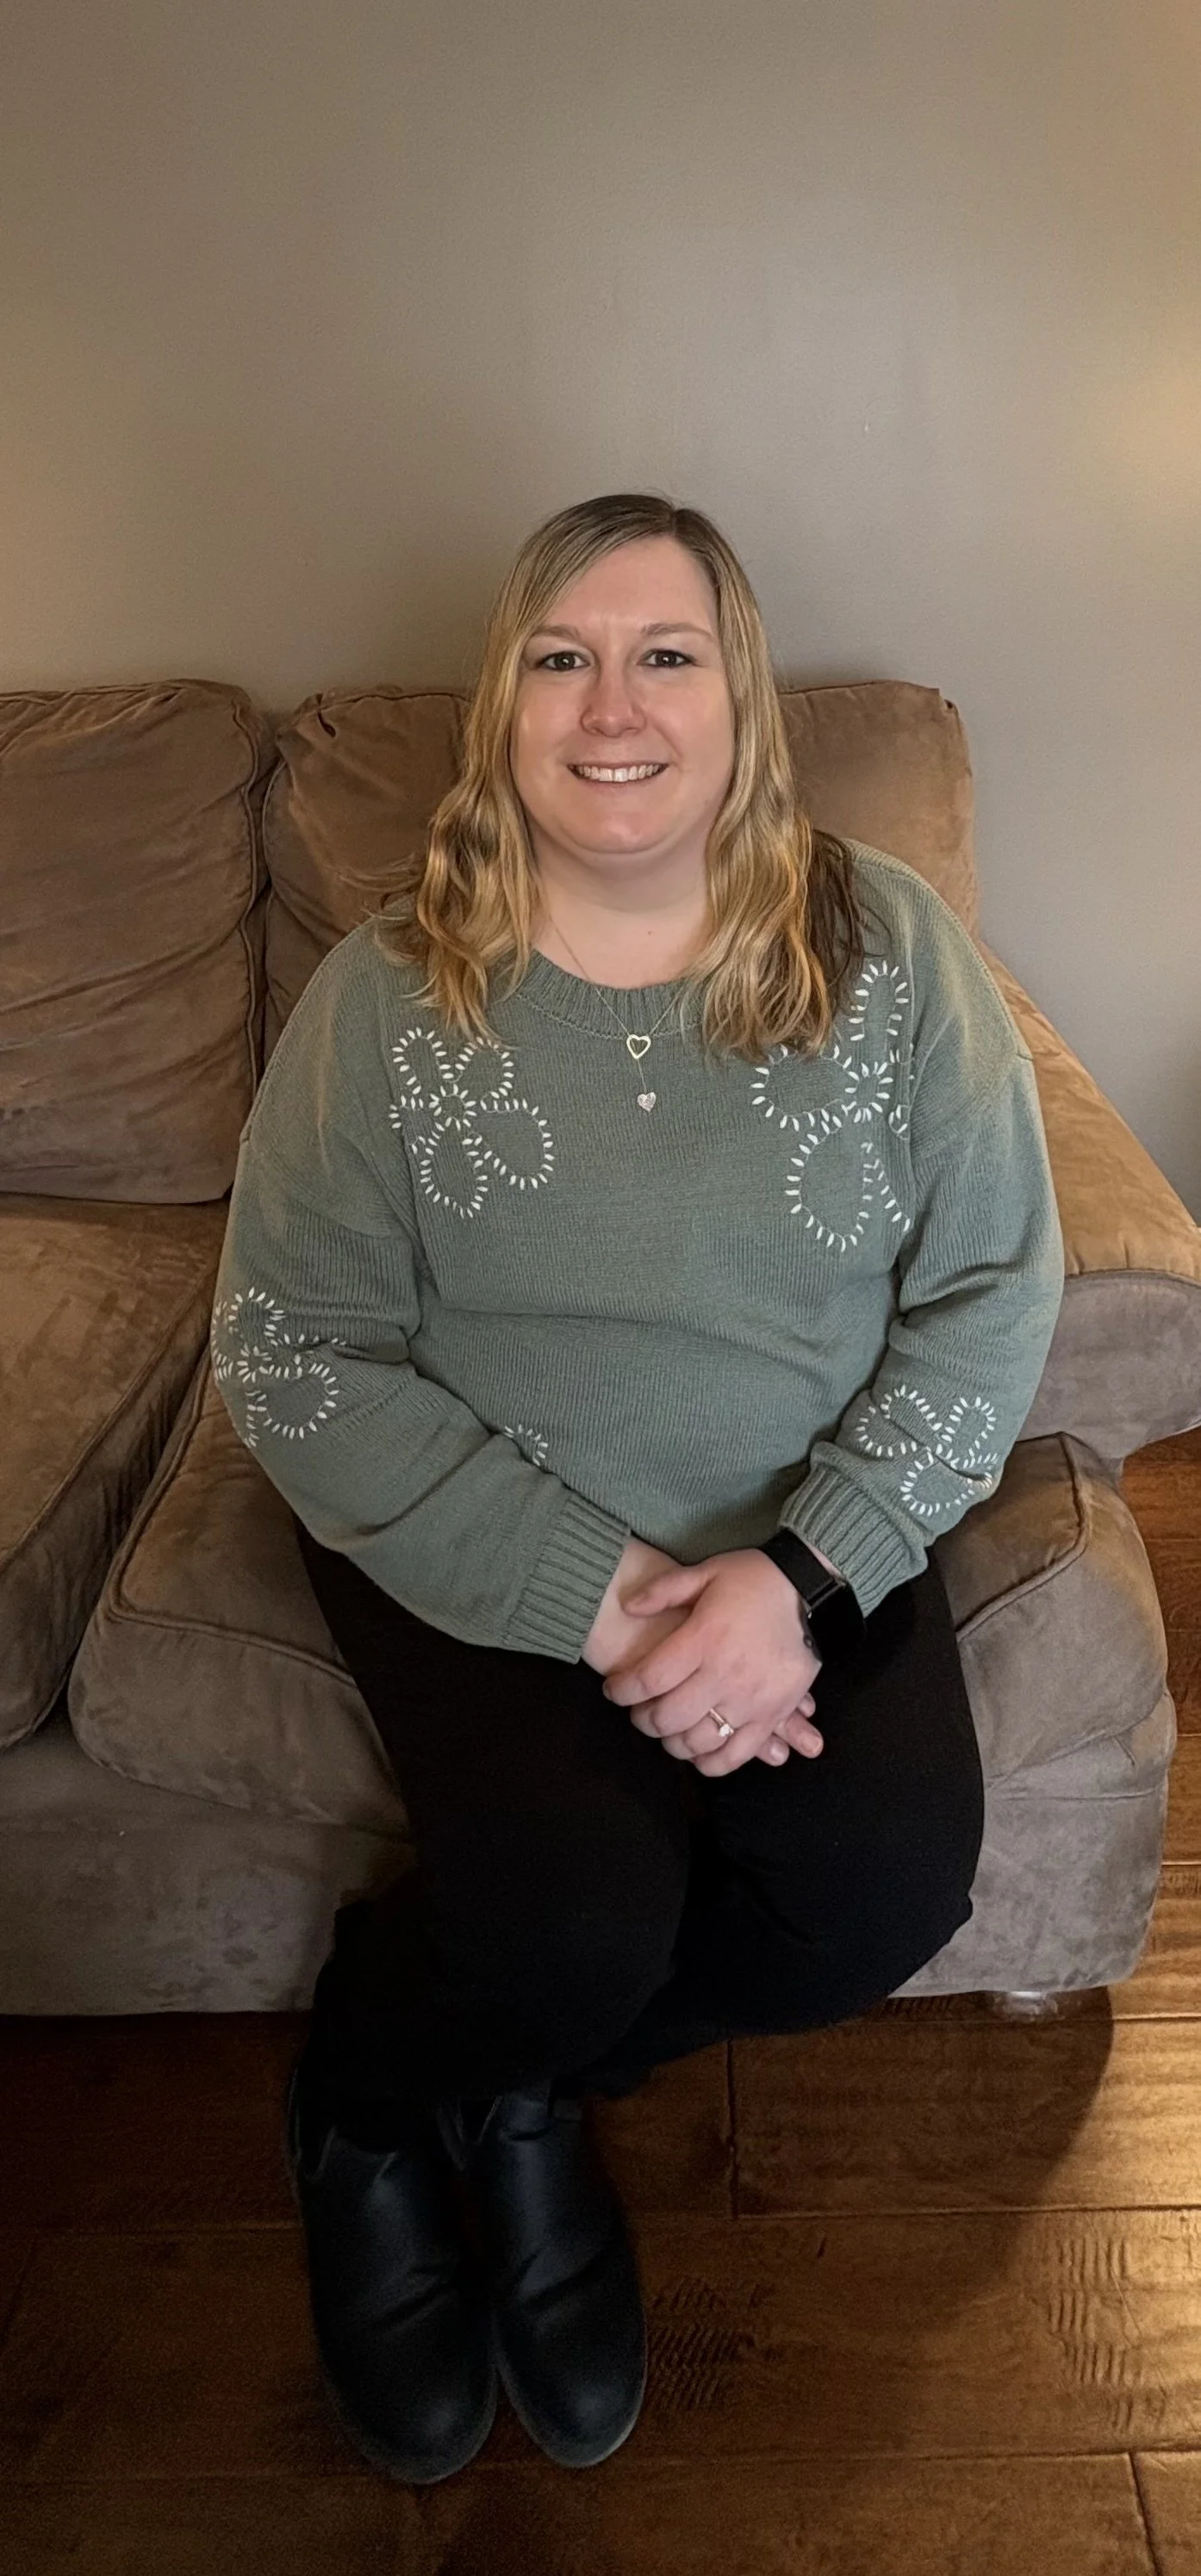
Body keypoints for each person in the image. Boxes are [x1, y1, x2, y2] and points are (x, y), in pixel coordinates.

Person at [211, 490, 1065, 2485]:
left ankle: (504, 2091)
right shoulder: (389, 991)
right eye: (561, 656)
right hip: (487, 1530)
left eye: (665, 652)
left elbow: (989, 1291)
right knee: (571, 1912)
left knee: (873, 1898)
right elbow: (288, 1352)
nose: (615, 705)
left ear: (738, 696)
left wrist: (793, 1578)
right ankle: (370, 2099)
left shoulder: (885, 944)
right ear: (503, 703)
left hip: (796, 1528)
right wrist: (606, 1599)